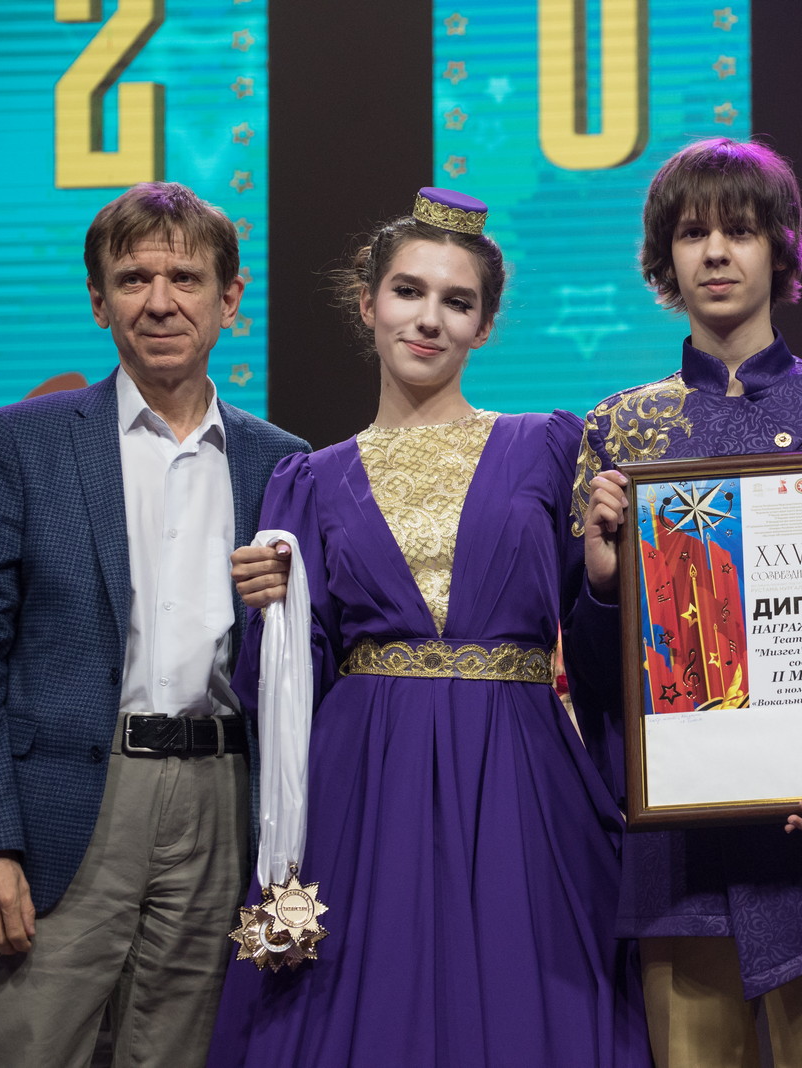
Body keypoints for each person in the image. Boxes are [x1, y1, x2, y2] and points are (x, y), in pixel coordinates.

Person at [206, 189, 650, 1067]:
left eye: (457, 301)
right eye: (408, 292)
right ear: (367, 303)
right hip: (365, 781)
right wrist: (274, 615)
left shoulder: (548, 446)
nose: (429, 319)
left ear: (483, 325)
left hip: (519, 769)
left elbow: (600, 657)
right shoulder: (306, 481)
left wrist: (606, 582)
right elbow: (279, 693)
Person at [572, 138, 802, 1068]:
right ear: (663, 258)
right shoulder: (621, 427)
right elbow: (597, 684)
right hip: (683, 871)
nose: (715, 252)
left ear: (780, 248)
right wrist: (602, 585)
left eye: (739, 231)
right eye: (690, 233)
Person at [0, 182, 307, 1066]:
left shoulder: (283, 462)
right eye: (134, 278)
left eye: (186, 278)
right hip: (63, 810)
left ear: (230, 299)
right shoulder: (23, 441)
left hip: (221, 804)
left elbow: (301, 663)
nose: (160, 301)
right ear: (100, 301)